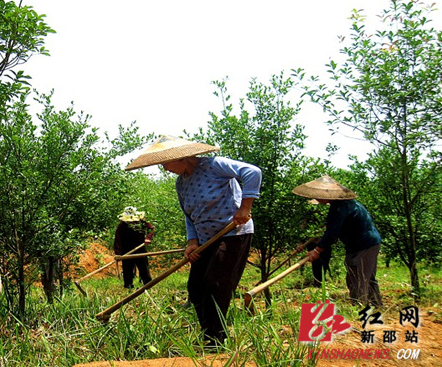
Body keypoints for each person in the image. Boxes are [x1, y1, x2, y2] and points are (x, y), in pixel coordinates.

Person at [126, 135, 262, 346]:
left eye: (165, 163)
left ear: (182, 158)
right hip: (206, 239)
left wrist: (245, 207)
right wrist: (192, 242)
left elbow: (252, 172)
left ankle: (215, 340)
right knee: (196, 287)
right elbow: (189, 216)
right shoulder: (181, 183)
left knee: (215, 283)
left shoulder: (215, 166)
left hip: (233, 233)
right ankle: (209, 335)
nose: (164, 168)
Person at [293, 174, 382, 307]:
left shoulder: (340, 208)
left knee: (358, 278)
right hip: (367, 243)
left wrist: (316, 250)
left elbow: (332, 235)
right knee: (366, 278)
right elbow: (332, 231)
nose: (317, 198)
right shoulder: (344, 205)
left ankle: (359, 309)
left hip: (364, 245)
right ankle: (376, 307)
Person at [113, 206, 155, 289]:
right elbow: (118, 240)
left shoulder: (141, 222)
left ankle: (147, 285)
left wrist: (148, 238)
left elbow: (151, 229)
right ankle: (128, 287)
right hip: (127, 250)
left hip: (140, 248)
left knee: (143, 268)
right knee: (127, 270)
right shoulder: (122, 225)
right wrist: (118, 253)